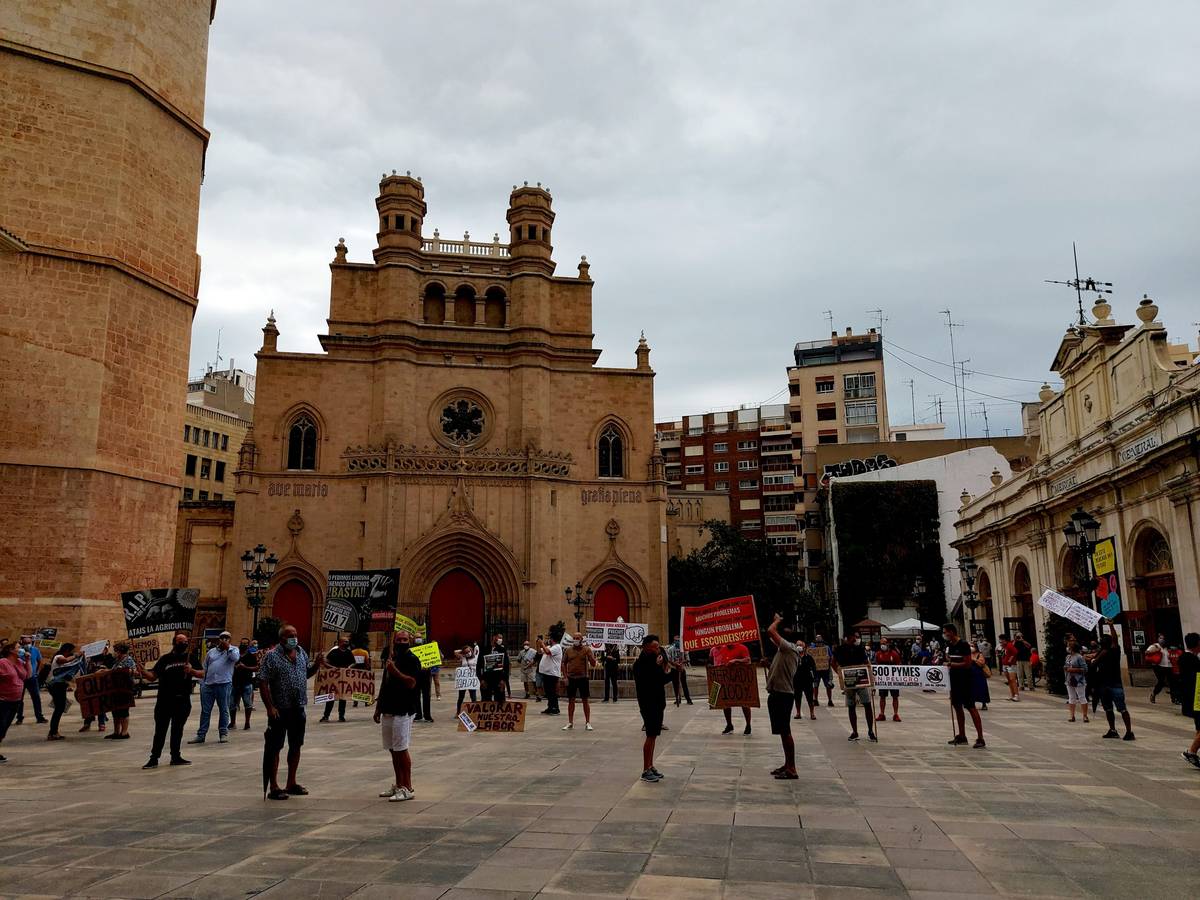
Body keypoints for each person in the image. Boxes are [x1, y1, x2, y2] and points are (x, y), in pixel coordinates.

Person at [258, 624, 324, 799]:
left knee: (296, 746)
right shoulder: (271, 657)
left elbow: (305, 674)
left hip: (298, 708)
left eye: (295, 634)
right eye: (290, 635)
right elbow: (262, 681)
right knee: (275, 747)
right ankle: (274, 786)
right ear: (281, 639)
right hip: (280, 710)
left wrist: (316, 665)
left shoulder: (301, 652)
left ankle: (291, 782)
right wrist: (270, 707)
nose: (294, 638)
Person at [138, 632, 204, 768]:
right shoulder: (165, 659)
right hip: (164, 701)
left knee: (177, 730)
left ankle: (176, 756)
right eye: (180, 641)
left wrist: (191, 671)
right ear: (174, 643)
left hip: (182, 700)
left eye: (185, 641)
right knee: (160, 731)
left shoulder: (190, 657)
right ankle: (154, 758)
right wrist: (143, 671)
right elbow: (152, 677)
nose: (184, 644)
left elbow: (202, 674)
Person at [375, 628, 421, 801]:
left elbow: (412, 683)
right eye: (399, 640)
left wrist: (396, 672)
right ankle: (398, 784)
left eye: (404, 640)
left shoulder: (412, 659)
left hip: (403, 709)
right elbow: (384, 683)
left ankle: (408, 787)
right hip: (388, 708)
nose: (401, 642)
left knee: (402, 749)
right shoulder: (391, 658)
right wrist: (378, 708)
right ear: (394, 640)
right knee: (393, 749)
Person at [764, 614, 800, 780]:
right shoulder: (784, 650)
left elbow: (770, 631)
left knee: (785, 731)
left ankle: (792, 768)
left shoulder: (788, 648)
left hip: (783, 695)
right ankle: (787, 764)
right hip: (778, 693)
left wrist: (777, 620)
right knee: (782, 731)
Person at [633, 633, 673, 782]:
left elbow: (661, 679)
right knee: (650, 735)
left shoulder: (653, 661)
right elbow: (652, 680)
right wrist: (661, 668)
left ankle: (650, 765)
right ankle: (645, 770)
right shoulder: (641, 664)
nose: (658, 649)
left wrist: (672, 671)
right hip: (648, 703)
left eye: (658, 646)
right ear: (646, 647)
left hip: (657, 702)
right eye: (655, 647)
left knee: (654, 735)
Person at [190, 631, 239, 743]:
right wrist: (202, 683)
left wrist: (228, 648)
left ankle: (223, 733)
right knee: (205, 711)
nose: (224, 640)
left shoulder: (233, 650)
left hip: (223, 684)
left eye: (227, 638)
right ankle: (201, 735)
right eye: (222, 637)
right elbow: (205, 667)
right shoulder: (211, 652)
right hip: (208, 685)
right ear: (219, 639)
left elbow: (235, 658)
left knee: (224, 710)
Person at [944, 624, 984, 748]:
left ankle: (980, 738)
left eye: (946, 632)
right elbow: (950, 660)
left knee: (970, 707)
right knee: (957, 706)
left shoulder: (964, 645)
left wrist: (951, 665)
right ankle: (962, 735)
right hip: (954, 680)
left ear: (952, 632)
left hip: (965, 680)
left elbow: (967, 663)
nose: (945, 634)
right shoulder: (950, 646)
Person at [830, 632, 875, 742]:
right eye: (854, 637)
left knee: (867, 704)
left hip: (861, 679)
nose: (856, 639)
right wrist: (840, 675)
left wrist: (871, 678)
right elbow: (833, 662)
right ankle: (855, 731)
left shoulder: (859, 649)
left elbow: (866, 662)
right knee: (851, 706)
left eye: (857, 637)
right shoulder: (839, 649)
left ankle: (870, 730)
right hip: (849, 680)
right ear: (848, 638)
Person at [1094, 619, 1134, 741]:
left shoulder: (1113, 651)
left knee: (1120, 708)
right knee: (1109, 708)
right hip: (1108, 684)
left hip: (1112, 684)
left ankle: (1127, 731)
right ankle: (1114, 730)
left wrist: (1111, 626)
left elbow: (1115, 640)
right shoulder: (1103, 653)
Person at [45, 643, 87, 741]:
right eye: (71, 651)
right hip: (56, 685)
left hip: (60, 685)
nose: (72, 653)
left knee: (60, 708)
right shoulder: (59, 656)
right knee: (59, 708)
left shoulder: (64, 658)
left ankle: (54, 731)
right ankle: (53, 732)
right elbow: (63, 660)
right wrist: (77, 655)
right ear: (67, 650)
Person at [711, 641, 753, 735]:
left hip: (740, 680)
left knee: (744, 703)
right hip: (727, 679)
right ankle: (729, 725)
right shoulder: (722, 649)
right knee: (726, 703)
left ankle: (748, 725)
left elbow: (748, 660)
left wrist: (736, 661)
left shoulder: (742, 647)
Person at [0, 640, 32, 762]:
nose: (22, 649)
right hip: (3, 700)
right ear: (11, 650)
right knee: (0, 726)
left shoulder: (19, 662)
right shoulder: (3, 662)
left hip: (15, 701)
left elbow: (28, 675)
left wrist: (28, 661)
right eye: (19, 647)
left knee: (5, 727)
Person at [102, 642, 138, 740]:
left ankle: (124, 732)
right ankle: (116, 732)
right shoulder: (117, 660)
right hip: (115, 689)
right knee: (116, 711)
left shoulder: (128, 660)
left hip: (125, 689)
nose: (114, 652)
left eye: (116, 650)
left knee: (123, 710)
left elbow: (134, 671)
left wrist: (124, 670)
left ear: (120, 651)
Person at [561, 632, 596, 731]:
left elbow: (593, 663)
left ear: (581, 639)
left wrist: (591, 657)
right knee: (571, 700)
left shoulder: (586, 649)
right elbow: (563, 663)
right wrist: (565, 677)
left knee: (585, 700)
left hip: (583, 678)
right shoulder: (568, 650)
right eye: (574, 638)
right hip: (571, 678)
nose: (576, 639)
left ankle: (588, 722)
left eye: (577, 638)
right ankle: (570, 722)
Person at [319, 636, 355, 723]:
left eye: (347, 642)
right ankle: (326, 716)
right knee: (331, 697)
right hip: (333, 679)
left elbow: (353, 662)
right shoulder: (334, 652)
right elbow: (326, 663)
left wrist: (349, 667)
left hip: (344, 678)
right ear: (339, 642)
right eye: (345, 642)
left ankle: (341, 716)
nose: (346, 643)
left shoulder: (349, 653)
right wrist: (333, 668)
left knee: (343, 698)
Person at [1177, 632, 1199, 770]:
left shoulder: (1186, 658)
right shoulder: (1190, 660)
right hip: (1196, 698)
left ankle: (1193, 752)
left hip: (1193, 698)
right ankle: (1191, 752)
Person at [15, 636, 47, 725]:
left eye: (29, 643)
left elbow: (40, 661)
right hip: (21, 678)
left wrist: (37, 672)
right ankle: (19, 717)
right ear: (21, 643)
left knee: (36, 697)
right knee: (19, 699)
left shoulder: (35, 650)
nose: (27, 645)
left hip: (32, 678)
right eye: (25, 643)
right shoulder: (18, 651)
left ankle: (39, 717)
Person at [232, 638, 259, 731]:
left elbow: (256, 667)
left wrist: (245, 667)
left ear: (248, 645)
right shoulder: (235, 655)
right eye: (242, 643)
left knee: (248, 704)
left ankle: (247, 723)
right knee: (233, 704)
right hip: (235, 682)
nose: (243, 645)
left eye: (246, 644)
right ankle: (232, 722)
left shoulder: (251, 655)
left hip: (246, 682)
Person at [874, 638, 902, 723]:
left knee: (895, 697)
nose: (883, 645)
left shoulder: (894, 654)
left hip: (893, 680)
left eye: (884, 643)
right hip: (883, 680)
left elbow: (899, 665)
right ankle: (882, 714)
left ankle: (896, 714)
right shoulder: (878, 654)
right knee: (882, 697)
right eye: (881, 643)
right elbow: (876, 666)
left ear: (888, 644)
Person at [477, 633, 510, 703]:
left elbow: (506, 666)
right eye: (499, 637)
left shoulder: (502, 650)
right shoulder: (484, 649)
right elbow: (479, 666)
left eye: (501, 638)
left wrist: (503, 680)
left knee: (500, 701)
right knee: (486, 700)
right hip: (486, 679)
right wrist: (481, 679)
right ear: (494, 638)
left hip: (498, 679)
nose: (500, 640)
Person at [1064, 639, 1089, 723]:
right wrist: (1066, 668)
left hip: (1079, 680)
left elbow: (1085, 669)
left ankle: (1085, 716)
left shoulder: (1079, 657)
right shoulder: (1068, 657)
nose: (1067, 648)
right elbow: (1067, 666)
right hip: (1069, 679)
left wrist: (1073, 669)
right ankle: (1072, 715)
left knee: (1082, 697)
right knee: (1071, 697)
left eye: (1069, 646)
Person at [792, 639, 818, 720]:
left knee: (810, 698)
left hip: (807, 680)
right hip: (796, 680)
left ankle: (812, 713)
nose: (799, 647)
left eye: (801, 645)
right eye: (797, 645)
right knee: (797, 697)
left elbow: (814, 668)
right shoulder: (793, 657)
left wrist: (814, 678)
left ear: (804, 647)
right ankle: (798, 712)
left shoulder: (809, 657)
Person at [537, 634, 563, 715]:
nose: (548, 640)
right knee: (548, 692)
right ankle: (550, 707)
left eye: (549, 639)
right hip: (546, 673)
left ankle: (555, 708)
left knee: (552, 692)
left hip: (552, 673)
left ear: (552, 639)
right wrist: (538, 644)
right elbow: (539, 652)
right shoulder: (549, 646)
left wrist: (542, 644)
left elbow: (548, 652)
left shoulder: (557, 647)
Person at [809, 634, 835, 707]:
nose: (819, 643)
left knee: (828, 685)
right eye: (818, 642)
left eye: (820, 642)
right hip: (816, 670)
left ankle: (830, 700)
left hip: (826, 669)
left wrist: (828, 662)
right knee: (815, 685)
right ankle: (815, 700)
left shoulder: (826, 648)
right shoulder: (812, 648)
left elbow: (831, 657)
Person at [412, 637, 434, 724]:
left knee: (426, 696)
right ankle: (418, 714)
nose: (418, 639)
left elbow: (433, 660)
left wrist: (428, 666)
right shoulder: (412, 650)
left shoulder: (427, 649)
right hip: (416, 676)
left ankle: (427, 715)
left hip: (425, 675)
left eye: (419, 637)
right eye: (417, 637)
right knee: (416, 696)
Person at [1146, 634, 1172, 703]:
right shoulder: (1155, 646)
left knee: (1172, 682)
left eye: (1163, 639)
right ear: (1158, 639)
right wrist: (1156, 650)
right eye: (1161, 638)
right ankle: (1154, 694)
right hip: (1158, 666)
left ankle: (1175, 698)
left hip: (1169, 666)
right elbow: (1147, 652)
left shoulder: (1167, 647)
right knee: (1161, 682)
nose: (1162, 640)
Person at [454, 643, 479, 715]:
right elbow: (455, 652)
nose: (468, 653)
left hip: (472, 680)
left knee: (473, 697)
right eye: (466, 652)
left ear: (471, 650)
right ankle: (458, 712)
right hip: (463, 681)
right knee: (461, 697)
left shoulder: (476, 657)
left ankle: (474, 712)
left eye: (469, 651)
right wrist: (462, 652)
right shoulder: (463, 657)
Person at [667, 635, 692, 706]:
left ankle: (688, 699)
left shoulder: (684, 649)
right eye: (676, 641)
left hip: (682, 669)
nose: (677, 642)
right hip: (674, 669)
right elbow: (668, 660)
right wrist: (675, 664)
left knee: (684, 684)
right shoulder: (670, 649)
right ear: (674, 641)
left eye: (678, 641)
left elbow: (688, 659)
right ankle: (678, 699)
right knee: (675, 685)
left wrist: (682, 663)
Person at [969, 641, 991, 712]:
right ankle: (972, 704)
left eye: (972, 646)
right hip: (970, 674)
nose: (971, 647)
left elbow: (982, 663)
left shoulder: (979, 654)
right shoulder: (968, 654)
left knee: (981, 688)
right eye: (970, 646)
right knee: (971, 689)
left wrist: (974, 659)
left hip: (979, 674)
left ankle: (984, 703)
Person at [998, 634, 1020, 701]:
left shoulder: (1009, 645)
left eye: (1001, 640)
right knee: (1009, 680)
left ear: (1005, 640)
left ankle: (1016, 695)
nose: (1000, 642)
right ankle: (1012, 695)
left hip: (1011, 665)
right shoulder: (1004, 646)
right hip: (1005, 664)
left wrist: (1010, 659)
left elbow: (1015, 652)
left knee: (1012, 680)